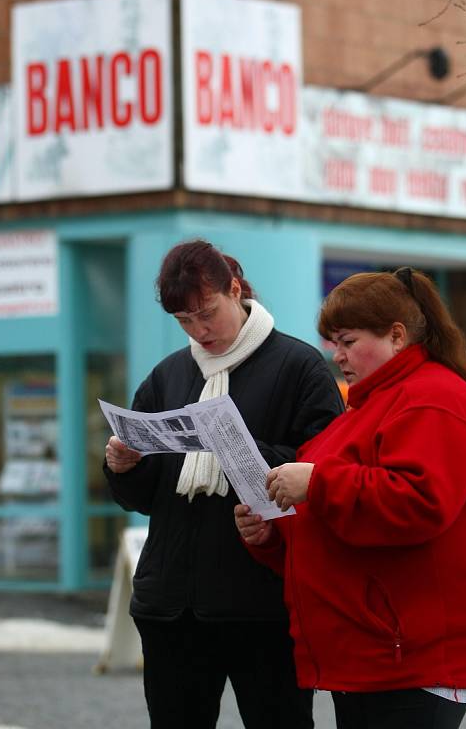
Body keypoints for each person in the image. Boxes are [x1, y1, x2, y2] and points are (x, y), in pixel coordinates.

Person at [235, 267, 466, 729]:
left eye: (347, 341)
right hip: (377, 649)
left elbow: (419, 503)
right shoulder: (373, 404)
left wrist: (317, 483)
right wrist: (272, 533)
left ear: (397, 336)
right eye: (333, 343)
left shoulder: (433, 399)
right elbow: (336, 521)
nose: (336, 355)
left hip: (412, 651)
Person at [103, 239, 344, 729]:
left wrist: (236, 446)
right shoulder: (169, 375)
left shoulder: (299, 368)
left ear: (235, 290)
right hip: (172, 607)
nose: (199, 330)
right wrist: (125, 466)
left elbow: (325, 472)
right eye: (184, 321)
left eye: (207, 312)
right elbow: (145, 499)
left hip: (261, 604)